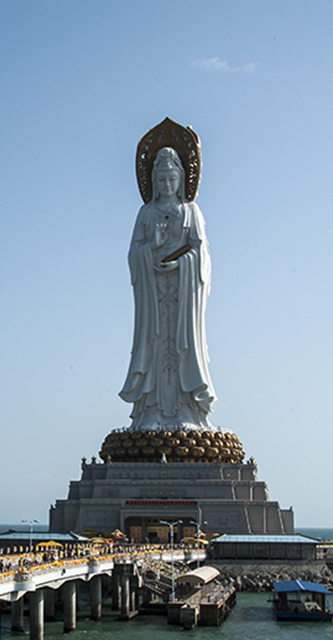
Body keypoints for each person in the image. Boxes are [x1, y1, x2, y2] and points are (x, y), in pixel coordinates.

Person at [120, 144, 216, 430]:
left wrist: (182, 263)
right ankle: (152, 411)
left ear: (181, 179)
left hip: (183, 292)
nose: (166, 185)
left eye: (171, 179)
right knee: (156, 344)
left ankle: (187, 410)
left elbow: (203, 255)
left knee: (183, 344)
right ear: (153, 181)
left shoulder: (191, 211)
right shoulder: (146, 213)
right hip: (154, 294)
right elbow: (133, 255)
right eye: (161, 180)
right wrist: (153, 247)